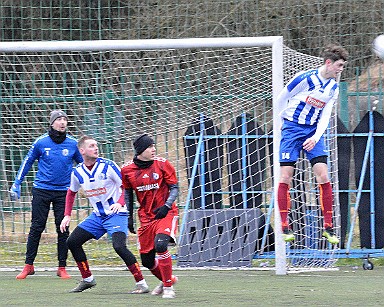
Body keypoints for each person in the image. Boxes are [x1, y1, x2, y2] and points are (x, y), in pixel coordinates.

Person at [276, 44, 348, 244]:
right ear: (328, 63)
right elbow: (282, 99)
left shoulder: (333, 87)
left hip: (312, 132)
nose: (341, 70)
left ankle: (328, 227)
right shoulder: (304, 78)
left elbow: (325, 115)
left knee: (323, 175)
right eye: (339, 65)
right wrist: (283, 125)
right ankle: (284, 226)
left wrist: (315, 137)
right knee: (285, 176)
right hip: (291, 129)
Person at [60, 135, 149, 293]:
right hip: (97, 217)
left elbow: (125, 186)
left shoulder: (108, 166)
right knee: (72, 242)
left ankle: (141, 283)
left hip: (116, 214)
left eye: (96, 145)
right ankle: (88, 279)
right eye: (91, 146)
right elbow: (71, 193)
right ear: (82, 150)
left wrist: (120, 203)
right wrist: (67, 215)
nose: (96, 148)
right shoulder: (77, 172)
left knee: (119, 246)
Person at [9, 110, 83, 279]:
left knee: (63, 228)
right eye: (59, 119)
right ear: (52, 123)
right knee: (36, 227)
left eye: (65, 119)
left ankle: (62, 267)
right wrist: (17, 183)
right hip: (41, 190)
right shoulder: (41, 142)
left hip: (63, 192)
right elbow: (27, 161)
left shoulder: (72, 144)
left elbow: (82, 164)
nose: (62, 122)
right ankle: (28, 265)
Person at [121, 134, 179, 299]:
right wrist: (129, 217)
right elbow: (127, 193)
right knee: (146, 260)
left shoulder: (162, 164)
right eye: (149, 147)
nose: (153, 149)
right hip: (146, 217)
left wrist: (166, 205)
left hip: (166, 213)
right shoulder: (127, 170)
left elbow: (174, 187)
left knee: (161, 245)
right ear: (140, 151)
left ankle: (168, 288)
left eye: (153, 146)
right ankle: (168, 279)